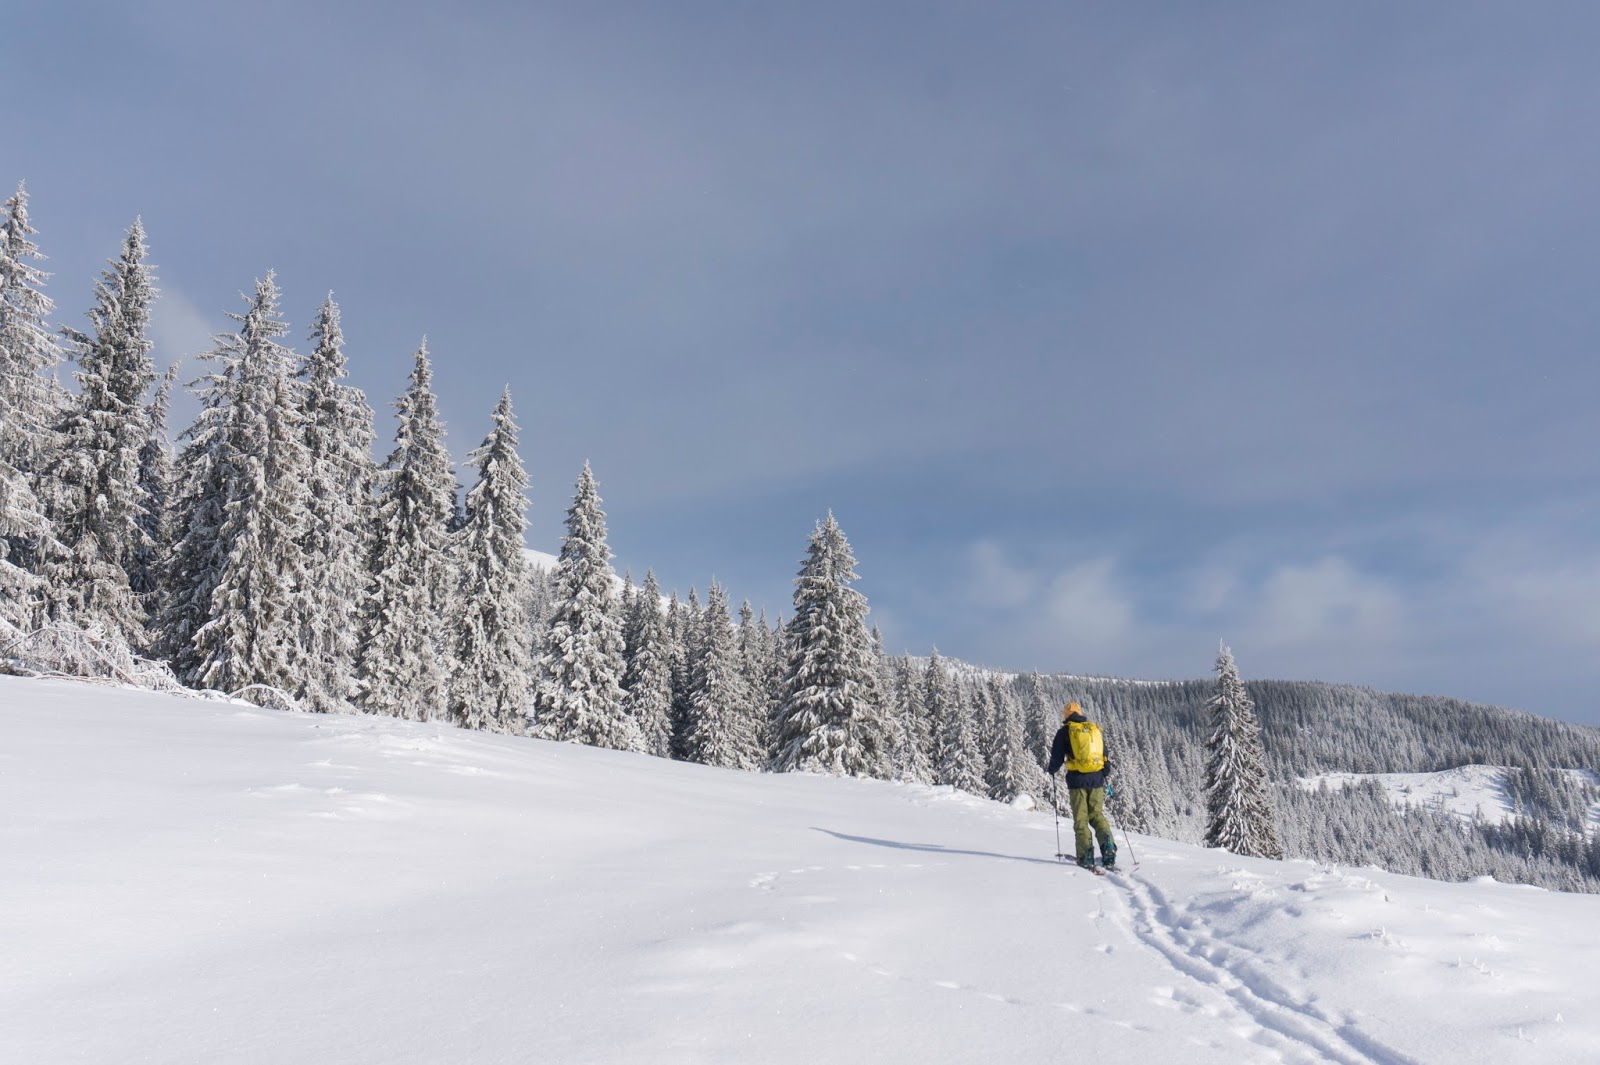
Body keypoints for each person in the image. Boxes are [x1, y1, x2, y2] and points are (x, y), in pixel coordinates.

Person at [1046, 701, 1117, 870]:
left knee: (1081, 820)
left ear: (1066, 715)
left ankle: (1085, 856)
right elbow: (1104, 754)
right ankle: (1108, 849)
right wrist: (1103, 772)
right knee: (1097, 815)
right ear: (1080, 713)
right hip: (1097, 780)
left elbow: (1057, 757)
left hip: (1077, 781)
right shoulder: (1092, 730)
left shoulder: (1065, 732)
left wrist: (1052, 770)